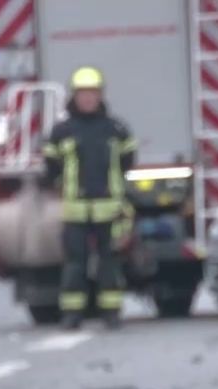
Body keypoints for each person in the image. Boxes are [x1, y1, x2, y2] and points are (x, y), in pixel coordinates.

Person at [43, 66, 138, 329]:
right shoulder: (61, 131)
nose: (88, 98)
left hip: (109, 209)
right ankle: (73, 314)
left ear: (100, 96)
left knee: (110, 264)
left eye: (92, 93)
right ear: (74, 96)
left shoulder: (116, 129)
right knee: (75, 265)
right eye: (83, 93)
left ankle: (111, 312)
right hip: (75, 210)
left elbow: (128, 161)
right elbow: (51, 168)